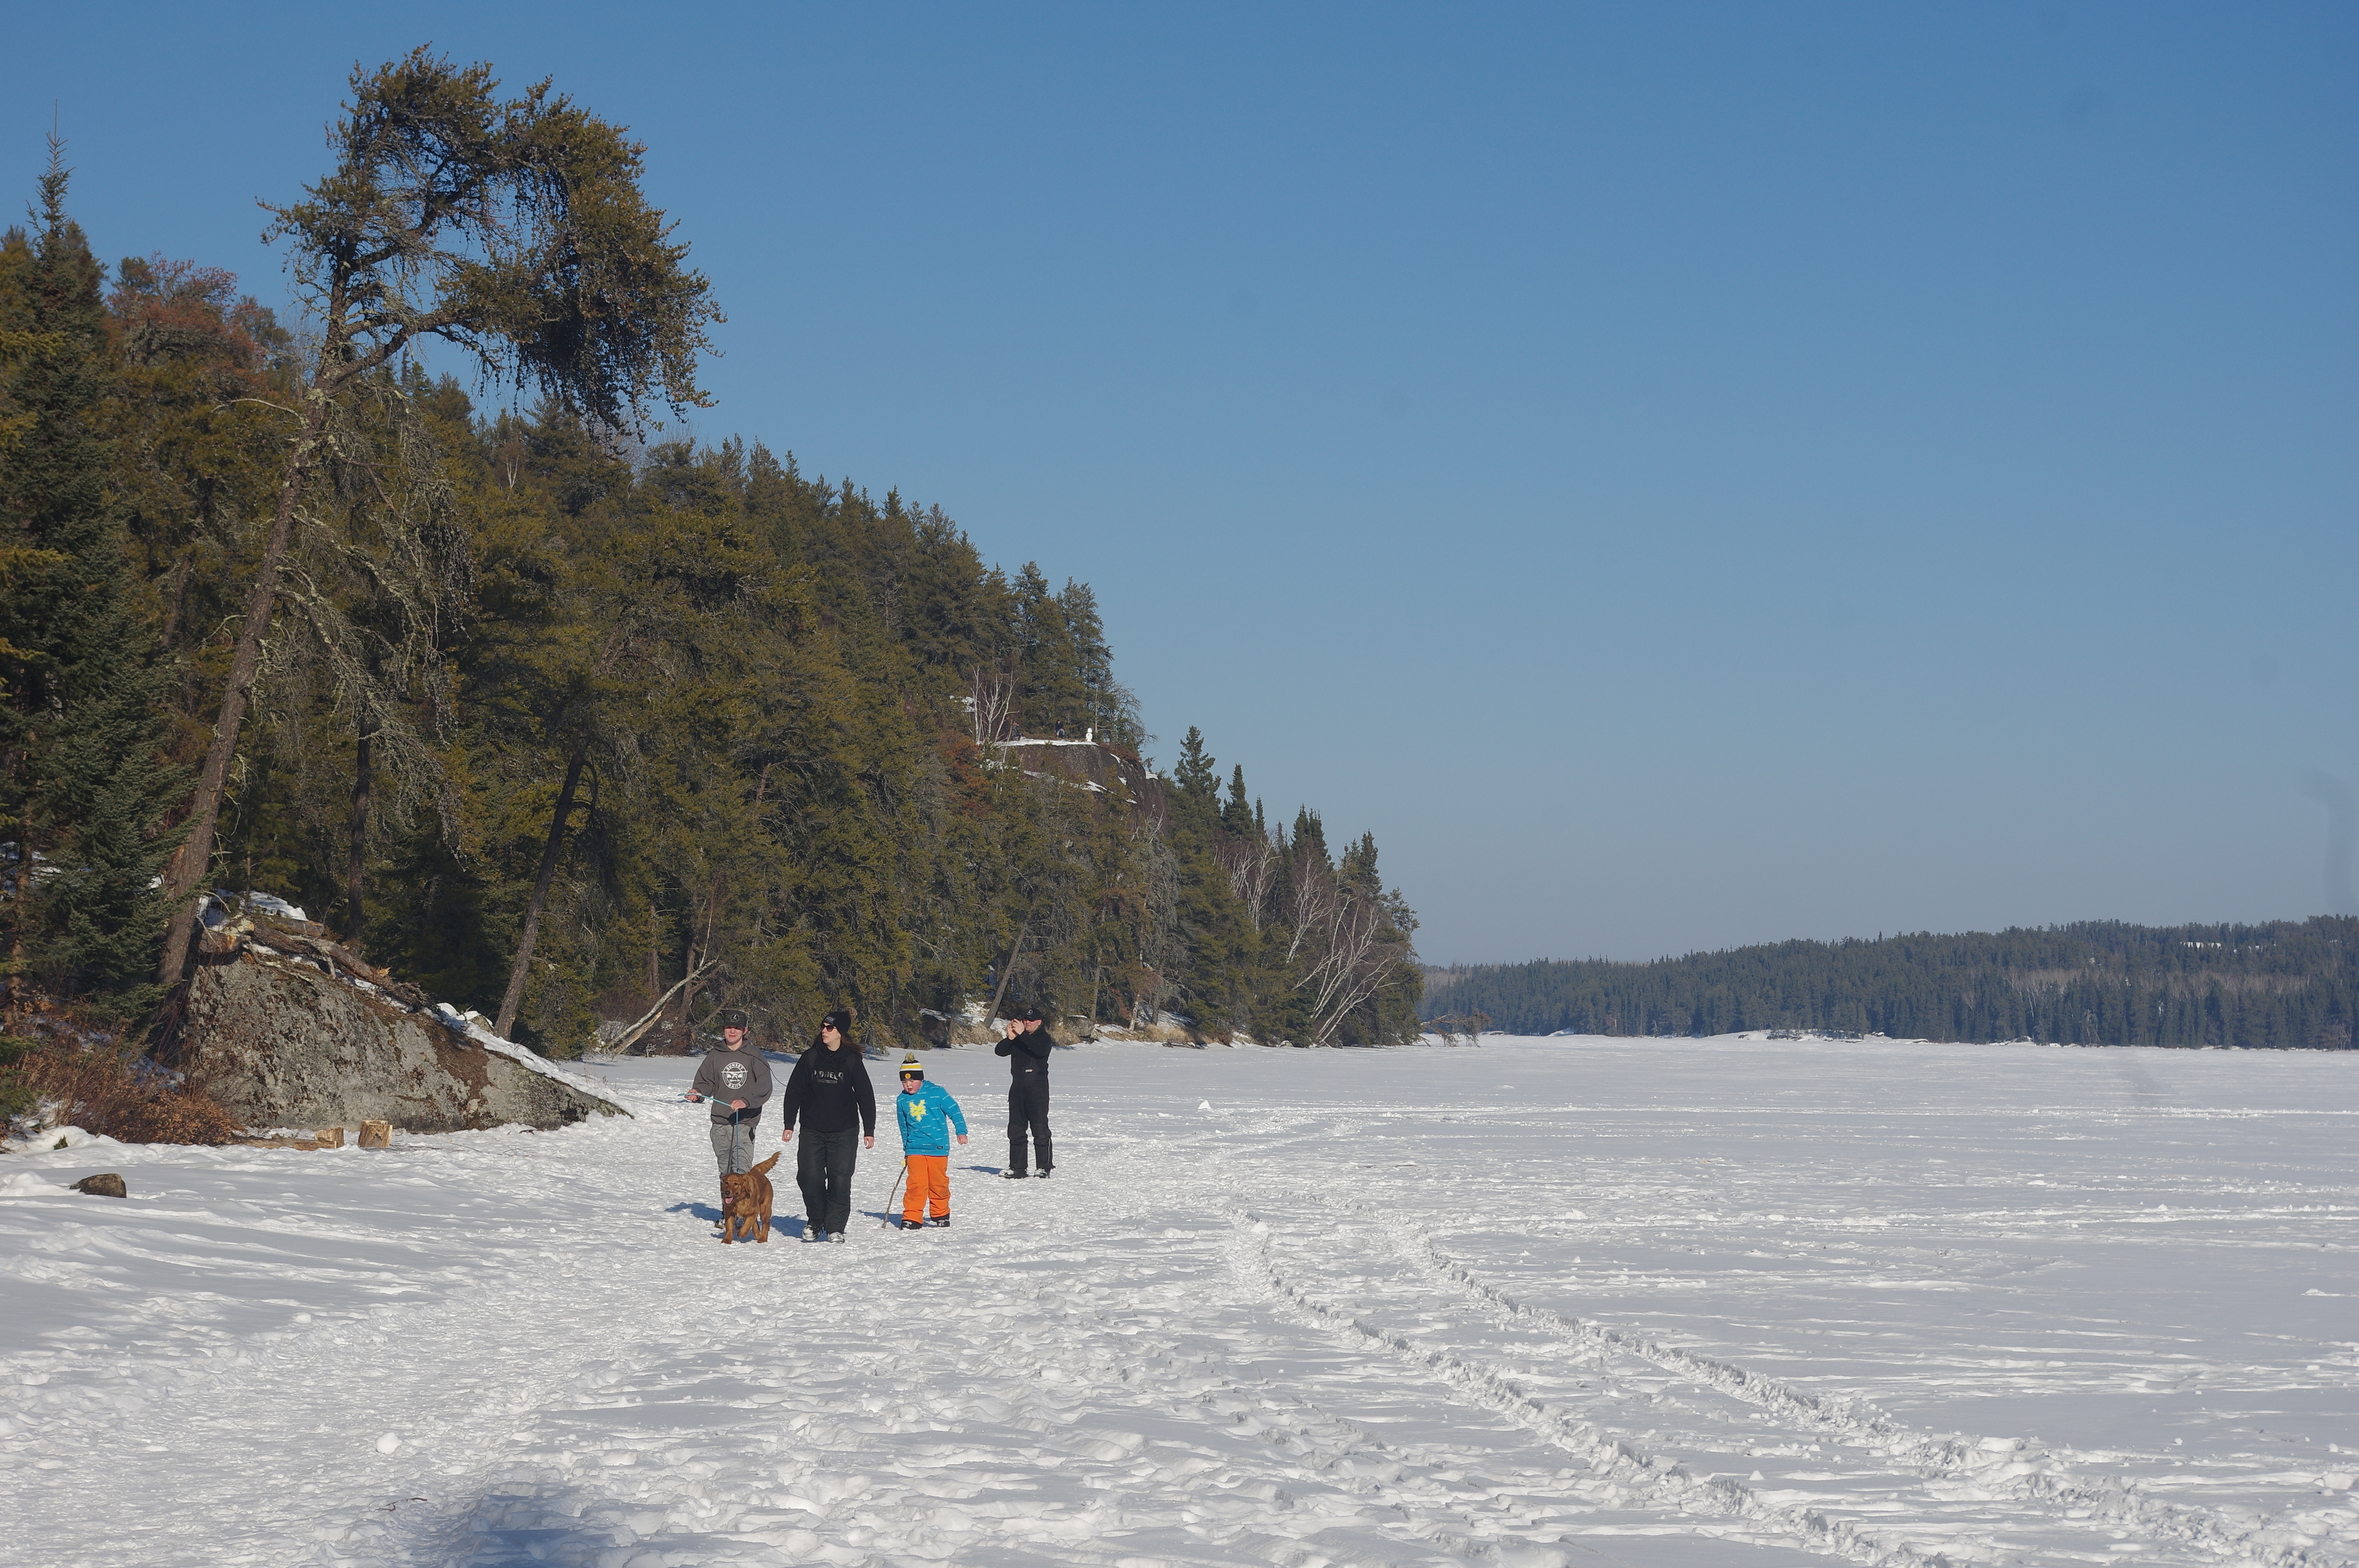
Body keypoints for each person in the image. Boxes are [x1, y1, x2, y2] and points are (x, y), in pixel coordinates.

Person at [778, 1010, 875, 1244]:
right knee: (809, 1177)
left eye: (829, 1028)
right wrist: (789, 1123)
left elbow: (865, 1096)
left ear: (840, 1032)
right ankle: (816, 1219)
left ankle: (835, 1228)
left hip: (844, 1132)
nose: (824, 1031)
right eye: (823, 1027)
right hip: (812, 1130)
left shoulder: (852, 1060)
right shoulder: (810, 1057)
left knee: (840, 1180)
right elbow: (794, 1091)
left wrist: (869, 1130)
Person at [687, 1010, 774, 1210]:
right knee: (726, 1175)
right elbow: (706, 1081)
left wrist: (746, 1101)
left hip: (744, 1123)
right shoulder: (715, 1055)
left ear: (745, 1030)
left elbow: (765, 1087)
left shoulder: (755, 1055)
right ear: (724, 1030)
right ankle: (728, 1214)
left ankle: (742, 1213)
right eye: (729, 1027)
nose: (732, 1031)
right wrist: (698, 1091)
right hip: (720, 1122)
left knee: (741, 1174)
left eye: (737, 1028)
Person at [891, 1055, 967, 1230]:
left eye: (912, 1081)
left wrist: (961, 1131)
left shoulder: (937, 1093)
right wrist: (907, 1147)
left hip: (938, 1149)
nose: (908, 1085)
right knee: (916, 1185)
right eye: (904, 1082)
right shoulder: (902, 1100)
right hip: (915, 1149)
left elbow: (955, 1111)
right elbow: (904, 1126)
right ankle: (912, 1217)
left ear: (921, 1079)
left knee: (938, 1184)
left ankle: (941, 1214)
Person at [994, 1005, 1055, 1178]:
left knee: (1040, 1129)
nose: (1027, 1023)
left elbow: (1040, 1051)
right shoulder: (1019, 1039)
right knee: (1016, 1129)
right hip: (1018, 1088)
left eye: (1030, 1021)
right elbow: (999, 1051)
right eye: (1025, 1020)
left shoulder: (1044, 1038)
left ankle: (1044, 1167)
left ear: (1039, 1022)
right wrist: (1011, 1038)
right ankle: (1018, 1168)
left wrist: (1021, 1036)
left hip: (1037, 1088)